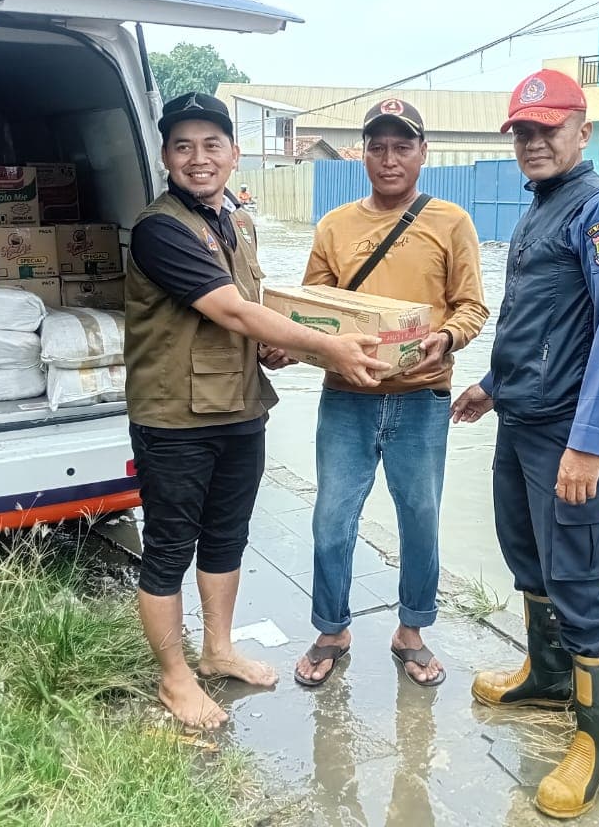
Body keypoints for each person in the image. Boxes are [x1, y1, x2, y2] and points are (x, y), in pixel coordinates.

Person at [124, 91, 390, 730]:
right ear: (165, 156)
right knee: (168, 548)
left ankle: (217, 649)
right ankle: (174, 677)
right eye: (183, 146)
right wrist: (329, 347)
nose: (198, 158)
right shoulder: (159, 228)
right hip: (175, 417)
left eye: (212, 145)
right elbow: (233, 310)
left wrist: (279, 346)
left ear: (235, 155)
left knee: (226, 537)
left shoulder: (235, 220)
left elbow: (254, 307)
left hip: (240, 406)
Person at [450, 69, 599, 819]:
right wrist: (492, 386)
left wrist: (590, 445)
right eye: (523, 132)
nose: (534, 142)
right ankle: (546, 674)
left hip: (567, 434)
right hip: (519, 422)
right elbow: (530, 323)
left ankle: (596, 739)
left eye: (548, 129)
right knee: (527, 558)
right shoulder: (540, 210)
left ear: (582, 130)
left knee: (580, 580)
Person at [293, 99, 488, 689]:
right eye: (377, 147)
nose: (389, 158)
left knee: (421, 518)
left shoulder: (451, 221)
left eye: (402, 146)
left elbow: (473, 306)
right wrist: (297, 342)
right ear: (362, 155)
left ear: (423, 154)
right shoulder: (334, 226)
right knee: (332, 517)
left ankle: (412, 632)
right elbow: (311, 313)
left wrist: (447, 338)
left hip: (422, 397)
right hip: (346, 396)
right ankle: (332, 628)